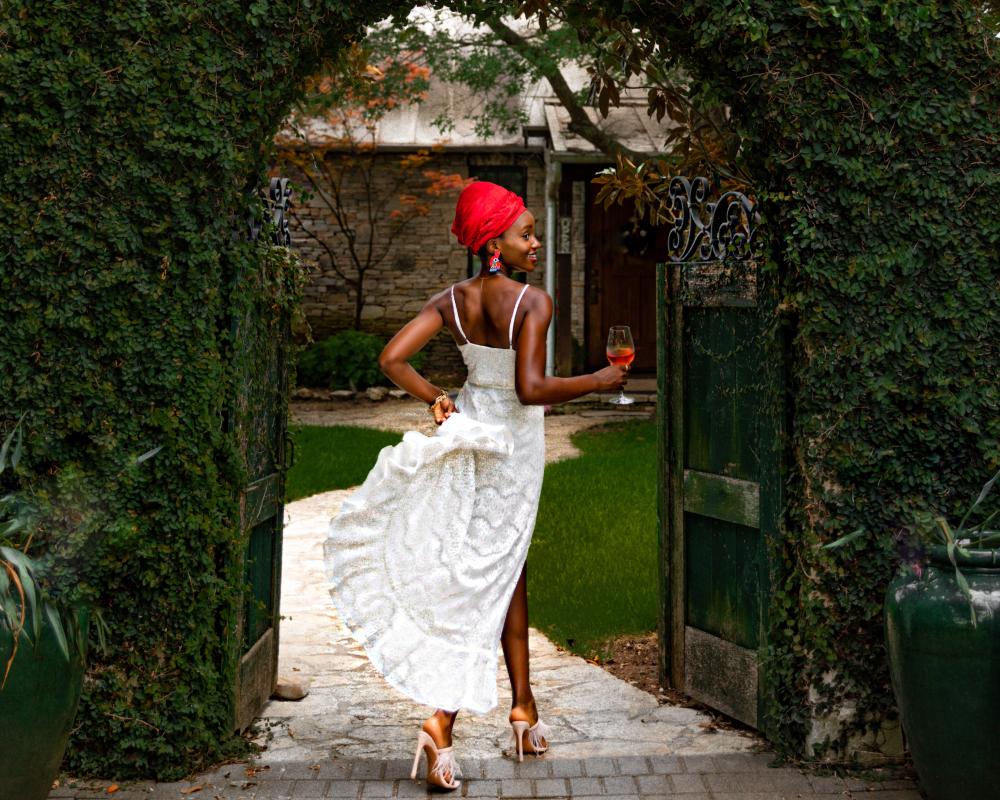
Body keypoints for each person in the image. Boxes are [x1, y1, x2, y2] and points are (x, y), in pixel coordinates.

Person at [322, 181, 628, 791]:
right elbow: (531, 390)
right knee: (488, 580)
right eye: (525, 233)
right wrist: (596, 381)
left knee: (503, 569)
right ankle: (440, 723)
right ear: (495, 242)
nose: (535, 243)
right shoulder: (531, 303)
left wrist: (438, 397)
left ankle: (524, 708)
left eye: (535, 233)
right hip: (512, 448)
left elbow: (392, 359)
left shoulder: (452, 300)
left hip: (469, 438)